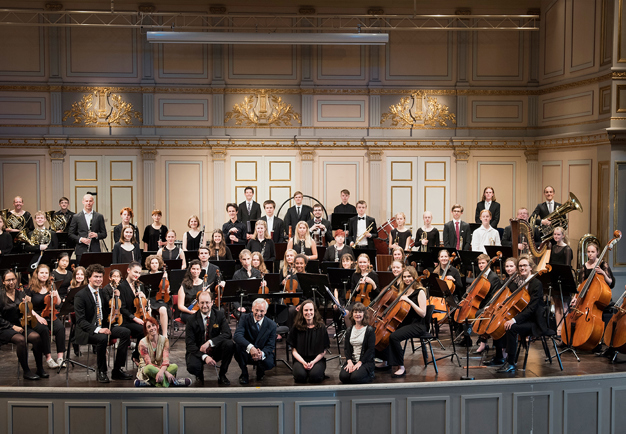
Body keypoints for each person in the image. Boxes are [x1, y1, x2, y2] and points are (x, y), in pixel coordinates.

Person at [74, 263, 133, 383]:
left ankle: (117, 370)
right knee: (102, 338)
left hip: (103, 326)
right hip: (87, 330)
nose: (99, 279)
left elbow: (106, 312)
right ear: (89, 277)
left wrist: (116, 299)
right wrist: (98, 329)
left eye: (100, 277)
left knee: (125, 332)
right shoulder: (80, 295)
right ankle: (102, 371)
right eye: (96, 277)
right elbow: (81, 321)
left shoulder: (100, 292)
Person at [497, 255, 549, 373]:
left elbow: (531, 308)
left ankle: (511, 362)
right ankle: (505, 358)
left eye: (525, 265)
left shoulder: (536, 284)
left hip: (535, 321)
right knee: (504, 323)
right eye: (520, 266)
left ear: (531, 267)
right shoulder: (521, 283)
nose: (522, 268)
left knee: (511, 327)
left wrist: (514, 320)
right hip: (525, 318)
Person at [375, 266, 428, 377]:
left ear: (414, 277)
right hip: (405, 323)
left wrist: (409, 301)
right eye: (404, 277)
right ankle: (386, 361)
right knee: (383, 334)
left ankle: (401, 367)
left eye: (409, 276)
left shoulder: (420, 292)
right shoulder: (403, 291)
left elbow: (423, 313)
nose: (407, 279)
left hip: (417, 325)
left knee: (394, 337)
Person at [0, 270, 49, 380]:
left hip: (21, 324)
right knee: (21, 340)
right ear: (3, 282)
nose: (11, 282)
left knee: (36, 337)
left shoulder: (20, 293)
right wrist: (12, 327)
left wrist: (27, 304)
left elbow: (26, 311)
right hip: (4, 327)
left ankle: (40, 368)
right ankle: (26, 371)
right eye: (8, 280)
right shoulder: (0, 296)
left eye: (13, 279)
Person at [185, 291, 234, 385]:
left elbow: (227, 334)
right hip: (199, 351)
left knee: (229, 344)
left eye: (207, 302)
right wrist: (205, 357)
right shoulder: (191, 320)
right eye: (202, 303)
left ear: (212, 302)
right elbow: (190, 344)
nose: (204, 305)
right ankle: (199, 375)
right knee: (192, 366)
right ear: (198, 303)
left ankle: (222, 374)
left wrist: (210, 342)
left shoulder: (219, 315)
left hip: (215, 349)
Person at [26, 264, 65, 369]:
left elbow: (59, 303)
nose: (44, 275)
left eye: (46, 273)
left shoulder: (51, 285)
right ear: (37, 274)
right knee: (43, 329)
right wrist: (38, 317)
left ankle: (60, 357)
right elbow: (27, 307)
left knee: (60, 328)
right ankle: (48, 358)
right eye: (42, 273)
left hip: (50, 314)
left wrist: (55, 293)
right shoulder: (31, 288)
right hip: (35, 315)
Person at [135, 316, 190, 387]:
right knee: (148, 369)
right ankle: (171, 383)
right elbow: (148, 363)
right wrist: (166, 373)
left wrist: (162, 371)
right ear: (146, 330)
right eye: (149, 327)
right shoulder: (142, 343)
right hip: (147, 368)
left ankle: (153, 383)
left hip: (161, 367)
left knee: (174, 366)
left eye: (153, 325)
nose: (152, 328)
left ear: (157, 326)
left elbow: (166, 361)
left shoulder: (165, 340)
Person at [234, 298, 277, 384]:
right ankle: (244, 374)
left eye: (262, 311)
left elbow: (271, 345)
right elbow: (237, 336)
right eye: (256, 310)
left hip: (261, 352)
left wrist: (261, 353)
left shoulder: (272, 324)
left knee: (269, 363)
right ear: (252, 309)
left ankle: (261, 370)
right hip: (247, 351)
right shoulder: (244, 318)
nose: (258, 313)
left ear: (265, 311)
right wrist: (251, 348)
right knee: (237, 347)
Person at [288, 299, 330, 383]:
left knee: (315, 377)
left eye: (311, 310)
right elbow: (293, 350)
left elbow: (324, 350)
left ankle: (315, 372)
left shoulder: (321, 327)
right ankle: (305, 372)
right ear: (302, 312)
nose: (308, 312)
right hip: (301, 359)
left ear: (314, 311)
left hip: (317, 359)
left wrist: (313, 362)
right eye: (306, 310)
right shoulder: (296, 327)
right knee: (300, 377)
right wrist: (303, 362)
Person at [118, 261, 150, 363]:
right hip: (126, 320)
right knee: (143, 329)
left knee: (153, 327)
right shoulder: (122, 287)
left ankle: (147, 357)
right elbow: (122, 308)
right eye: (135, 272)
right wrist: (134, 318)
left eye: (139, 273)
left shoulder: (139, 285)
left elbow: (145, 305)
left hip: (138, 317)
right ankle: (136, 355)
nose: (137, 275)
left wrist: (144, 297)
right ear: (128, 270)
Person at [470, 253, 502, 351]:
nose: (481, 265)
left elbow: (494, 296)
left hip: (490, 305)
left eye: (483, 263)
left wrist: (486, 307)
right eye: (479, 263)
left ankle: (483, 343)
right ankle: (479, 341)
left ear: (488, 264)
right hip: (481, 303)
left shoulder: (494, 278)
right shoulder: (481, 276)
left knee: (479, 314)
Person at [339, 302, 375, 384]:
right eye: (355, 312)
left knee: (355, 378)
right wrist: (349, 362)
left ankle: (370, 374)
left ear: (364, 314)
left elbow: (370, 350)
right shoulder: (349, 330)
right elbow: (346, 348)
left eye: (360, 312)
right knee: (343, 377)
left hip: (365, 361)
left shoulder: (369, 330)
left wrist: (359, 363)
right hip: (353, 360)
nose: (357, 314)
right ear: (352, 314)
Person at [68, 194, 107, 262]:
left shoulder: (99, 216)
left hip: (95, 250)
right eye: (86, 201)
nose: (88, 203)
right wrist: (81, 239)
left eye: (90, 201)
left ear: (93, 202)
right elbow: (70, 234)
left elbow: (104, 234)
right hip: (81, 250)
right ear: (83, 202)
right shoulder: (76, 217)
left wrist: (97, 235)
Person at [145, 255, 172, 339]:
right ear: (149, 264)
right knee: (148, 310)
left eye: (156, 263)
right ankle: (150, 334)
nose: (154, 265)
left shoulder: (163, 275)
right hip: (150, 298)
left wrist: (165, 279)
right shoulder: (146, 276)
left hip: (160, 298)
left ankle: (164, 334)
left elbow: (168, 291)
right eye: (152, 263)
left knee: (163, 310)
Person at [177, 260, 204, 324]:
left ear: (200, 270)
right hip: (187, 312)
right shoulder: (184, 285)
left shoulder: (204, 284)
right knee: (195, 320)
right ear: (190, 270)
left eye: (197, 269)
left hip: (201, 311)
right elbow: (180, 306)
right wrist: (191, 312)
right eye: (193, 269)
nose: (195, 271)